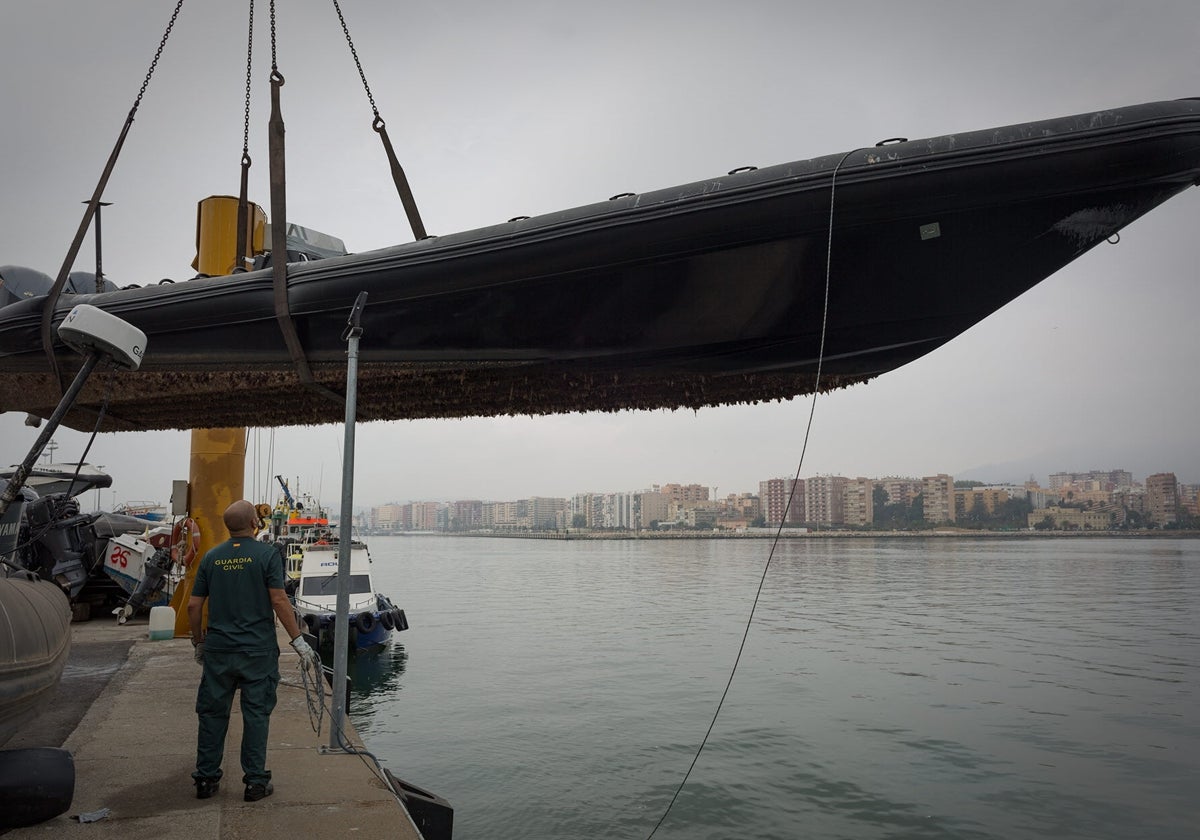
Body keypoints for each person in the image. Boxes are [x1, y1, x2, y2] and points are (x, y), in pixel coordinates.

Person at [188, 499, 320, 801]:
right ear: (254, 524)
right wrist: (298, 640)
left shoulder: (211, 557)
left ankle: (205, 781)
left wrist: (199, 643)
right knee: (256, 714)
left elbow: (194, 605)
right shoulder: (267, 555)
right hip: (257, 652)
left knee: (211, 714)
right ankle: (255, 783)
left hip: (219, 651)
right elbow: (278, 600)